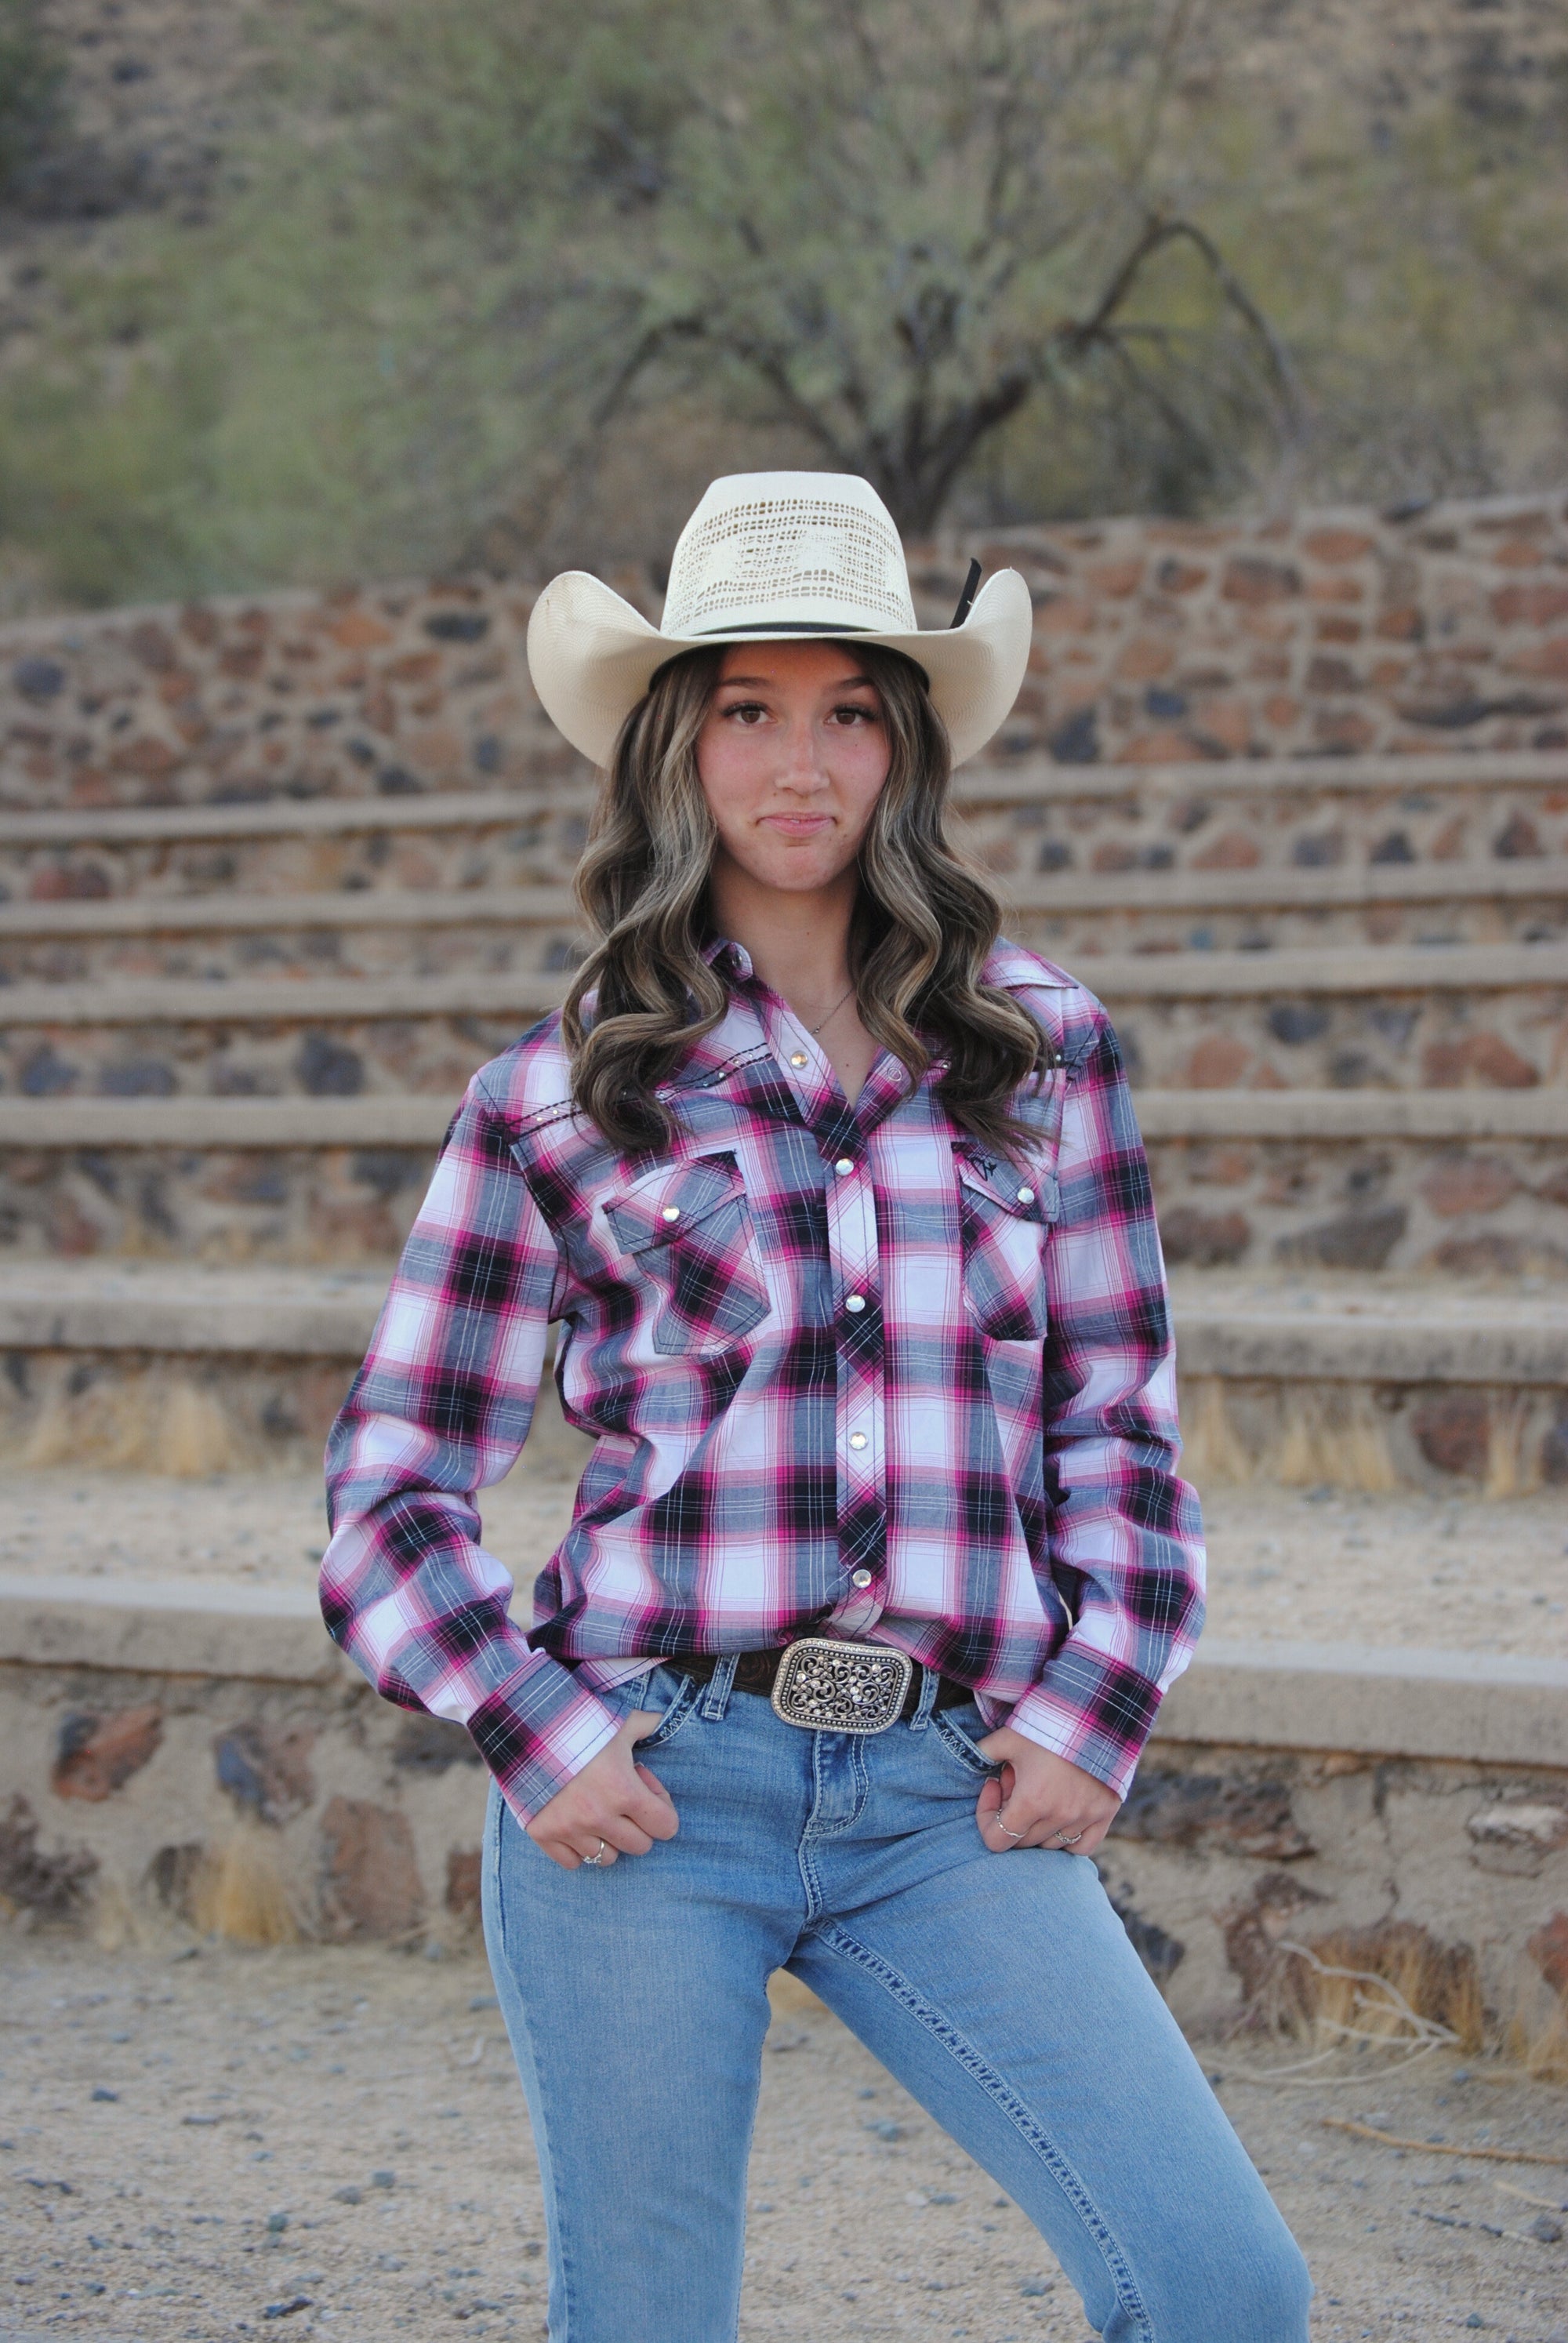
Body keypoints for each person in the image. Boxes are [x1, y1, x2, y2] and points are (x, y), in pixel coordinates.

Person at [321, 473, 1312, 2341]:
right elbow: (388, 1493)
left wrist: (1096, 1709)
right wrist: (539, 1727)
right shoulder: (556, 1092)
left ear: (905, 747)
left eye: (849, 708)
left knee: (1221, 2286)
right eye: (749, 711)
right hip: (650, 1787)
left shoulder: (1044, 1051)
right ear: (677, 751)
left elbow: (1115, 1427)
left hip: (951, 1793)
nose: (803, 762)